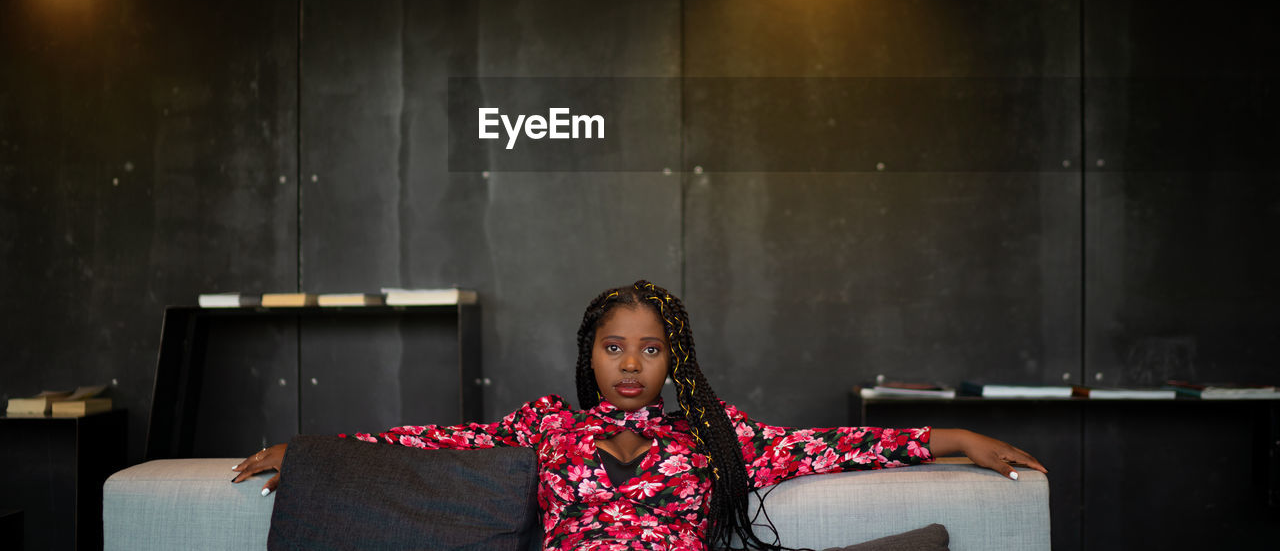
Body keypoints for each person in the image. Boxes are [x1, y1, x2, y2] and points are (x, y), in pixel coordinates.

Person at [234, 279, 1046, 550]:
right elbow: (436, 439)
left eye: (651, 349)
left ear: (674, 360)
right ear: (590, 355)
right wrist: (311, 451)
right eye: (614, 347)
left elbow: (831, 445)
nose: (631, 365)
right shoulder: (548, 424)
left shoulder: (712, 435)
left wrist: (956, 436)